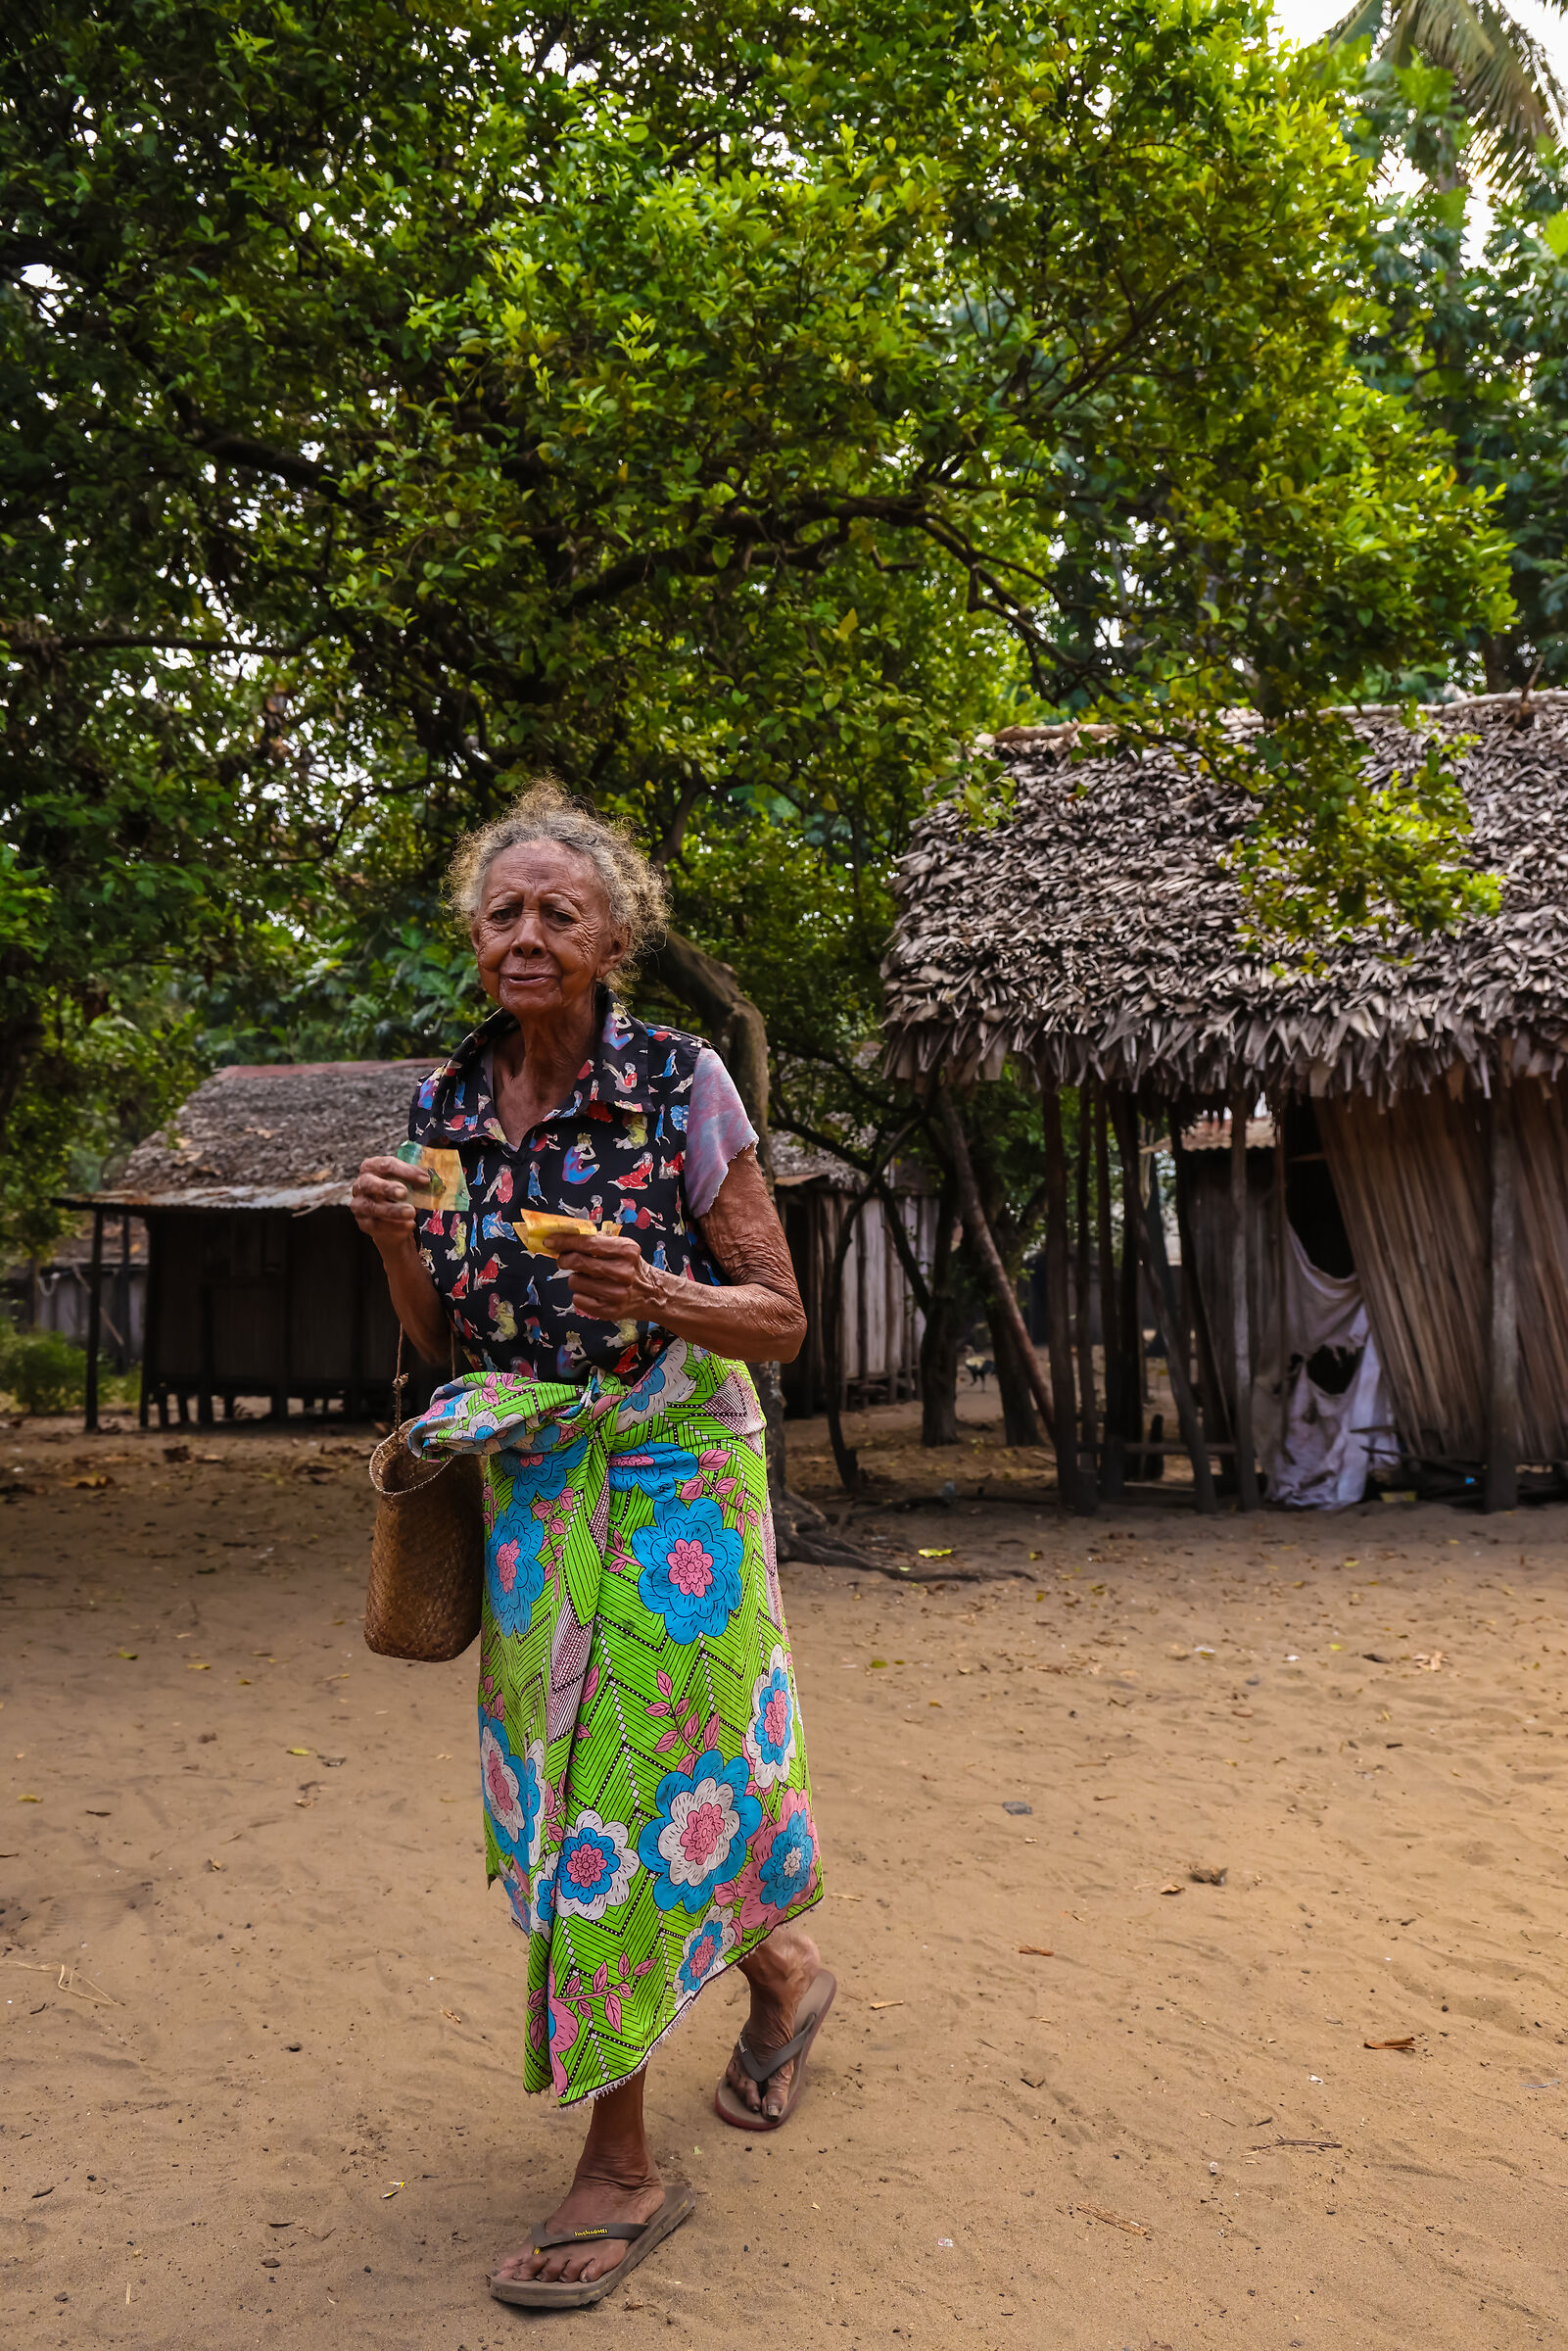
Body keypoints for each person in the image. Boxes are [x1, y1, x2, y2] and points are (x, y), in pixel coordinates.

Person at [350, 784, 832, 2312]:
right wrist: (389, 1249)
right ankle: (782, 1972)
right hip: (533, 1488)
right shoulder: (440, 1109)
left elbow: (780, 1316)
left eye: (561, 911)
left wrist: (662, 1298)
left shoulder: (678, 1084)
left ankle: (619, 2162)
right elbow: (437, 1342)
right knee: (578, 1787)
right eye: (504, 912)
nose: (528, 933)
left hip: (681, 1475)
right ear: (472, 941)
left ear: (615, 936)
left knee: (631, 1784)